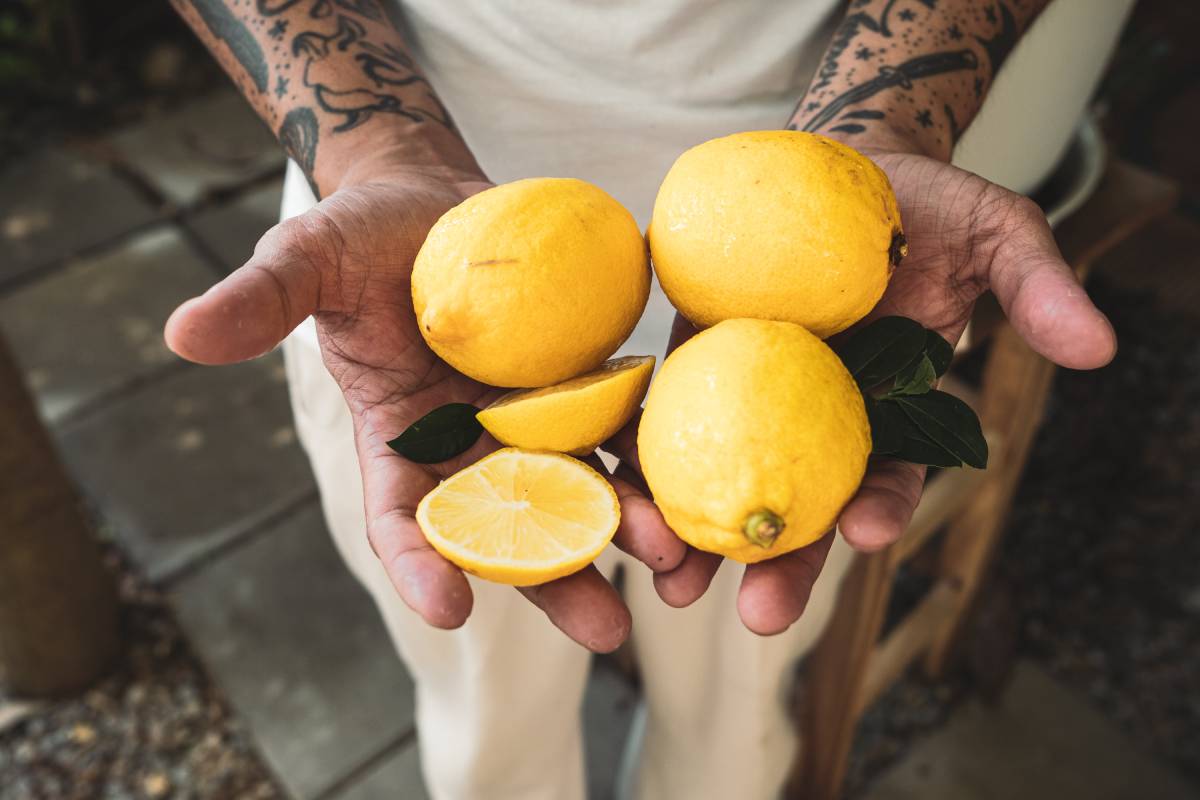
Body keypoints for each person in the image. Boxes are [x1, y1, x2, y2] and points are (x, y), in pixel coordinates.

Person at [166, 1, 1124, 797]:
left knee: (734, 715)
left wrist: (888, 121)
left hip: (807, 250)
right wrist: (375, 147)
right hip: (404, 255)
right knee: (484, 708)